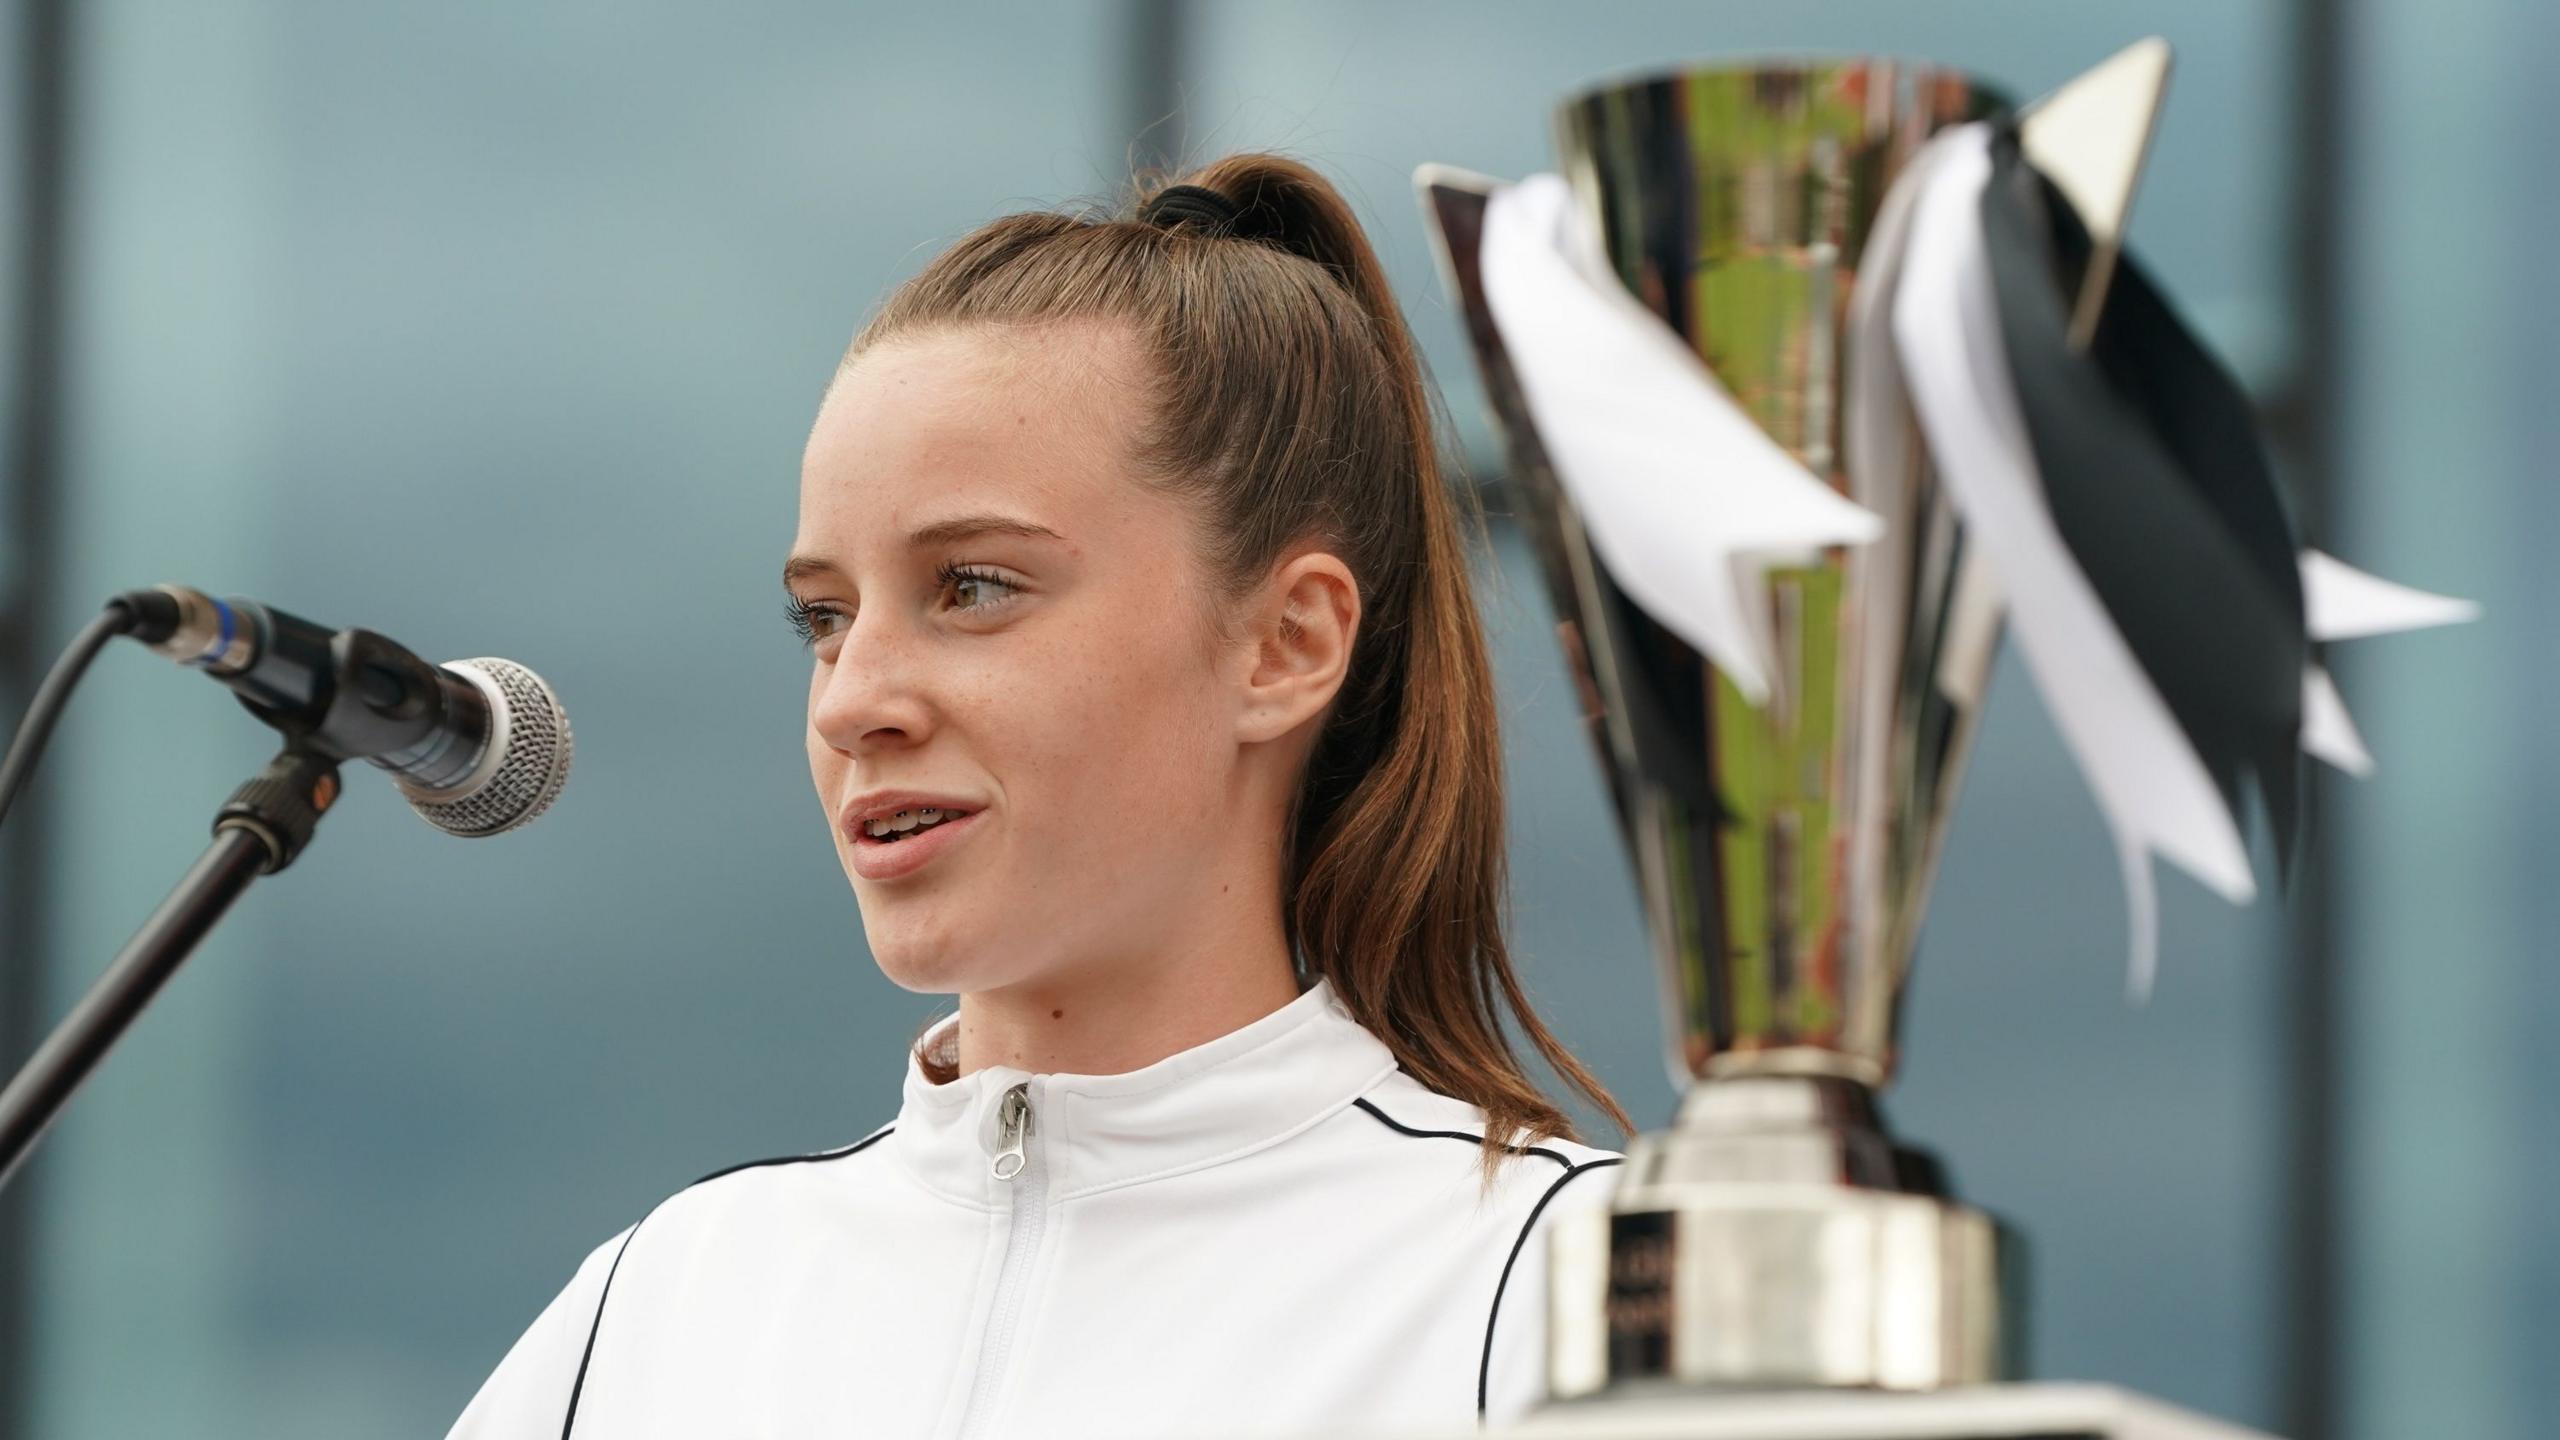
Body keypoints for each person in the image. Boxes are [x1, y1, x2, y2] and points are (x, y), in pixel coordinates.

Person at [444, 153, 1629, 1440]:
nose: (853, 702)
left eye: (974, 587)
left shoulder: (1564, 1302)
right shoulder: (659, 1313)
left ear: (1287, 643)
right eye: (825, 618)